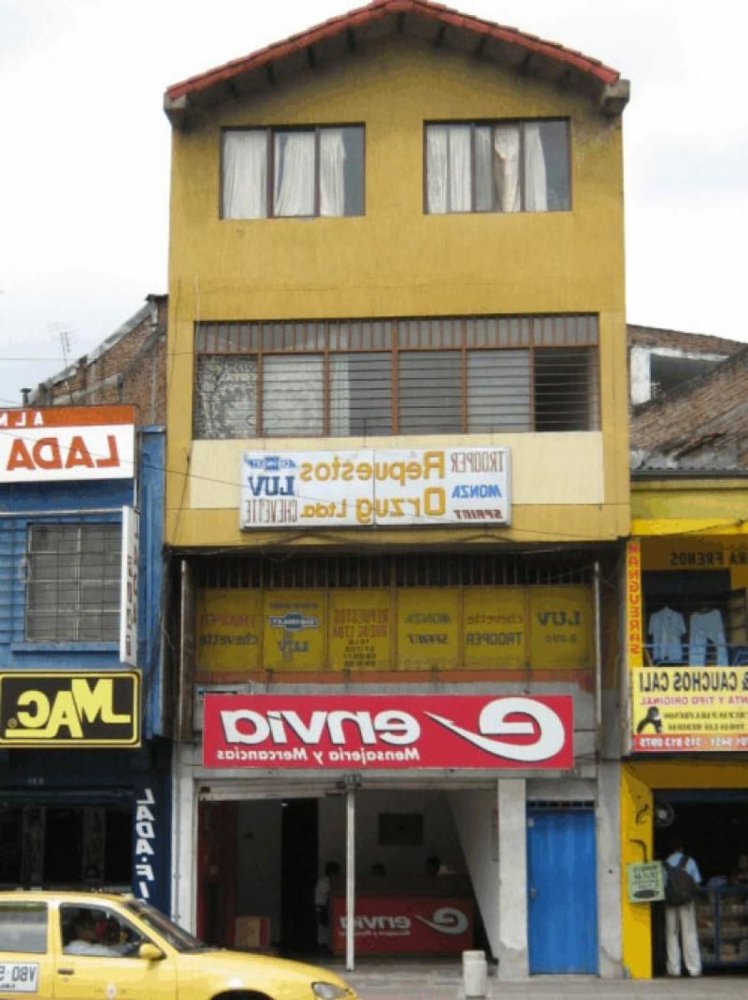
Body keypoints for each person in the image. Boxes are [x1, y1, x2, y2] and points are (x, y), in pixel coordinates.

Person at [663, 838, 702, 978]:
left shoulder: (665, 864)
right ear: (681, 848)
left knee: (671, 934)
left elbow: (662, 886)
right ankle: (694, 969)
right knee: (689, 933)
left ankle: (674, 969)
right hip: (686, 903)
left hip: (670, 904)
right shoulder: (689, 861)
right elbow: (697, 881)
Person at [314, 860, 340, 951]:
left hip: (327, 907)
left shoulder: (329, 881)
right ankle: (323, 946)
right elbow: (330, 893)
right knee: (325, 929)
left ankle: (329, 946)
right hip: (322, 908)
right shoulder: (324, 882)